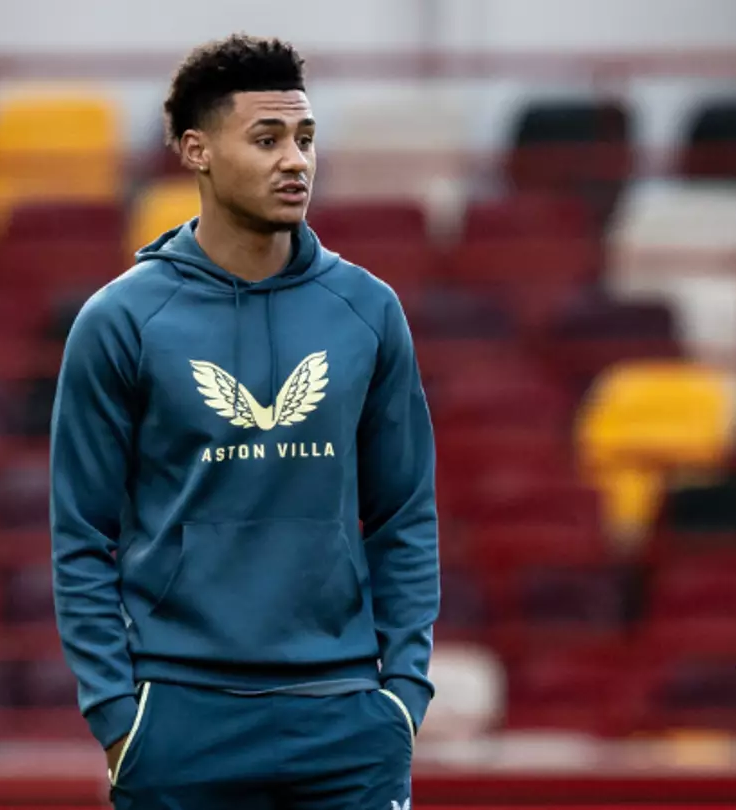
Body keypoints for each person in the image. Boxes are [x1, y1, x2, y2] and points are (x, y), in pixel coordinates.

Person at [49, 34, 438, 809]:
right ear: (196, 150)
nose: (295, 160)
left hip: (346, 720)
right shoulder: (120, 319)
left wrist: (401, 698)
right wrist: (120, 719)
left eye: (305, 138)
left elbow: (404, 515)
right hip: (182, 722)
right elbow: (81, 536)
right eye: (266, 140)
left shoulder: (367, 311)